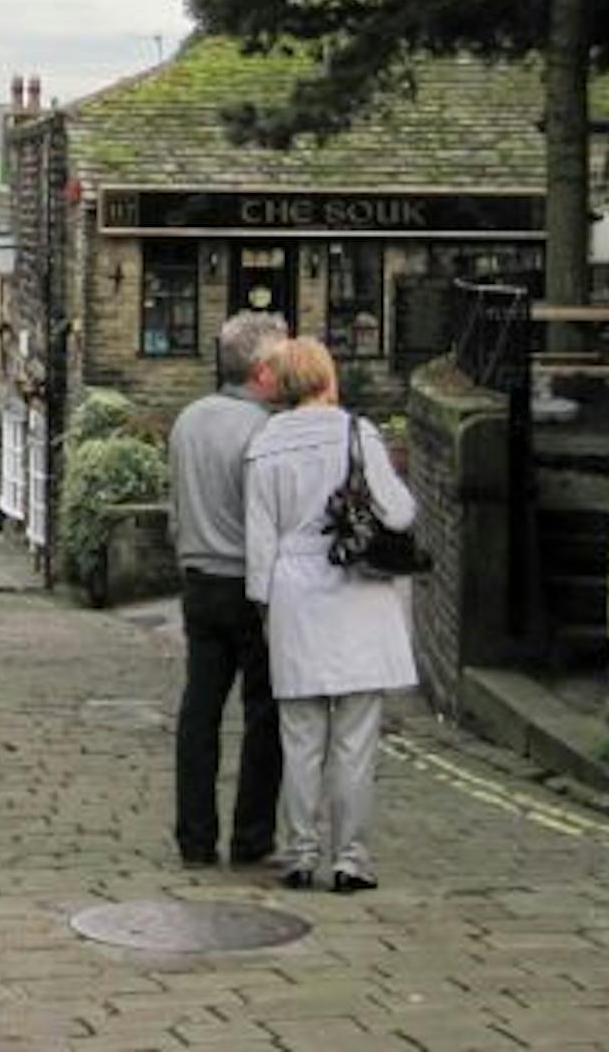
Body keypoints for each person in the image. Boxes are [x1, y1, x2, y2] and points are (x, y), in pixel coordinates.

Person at [244, 336, 417, 893]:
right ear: (325, 376)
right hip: (356, 594)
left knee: (300, 738)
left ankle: (298, 853)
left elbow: (259, 544)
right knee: (354, 740)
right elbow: (400, 509)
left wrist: (264, 608)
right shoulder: (356, 434)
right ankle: (350, 859)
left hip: (295, 595)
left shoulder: (265, 443)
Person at [168, 310, 287, 869]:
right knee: (264, 715)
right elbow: (269, 518)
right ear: (261, 368)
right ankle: (251, 838)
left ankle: (194, 838)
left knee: (200, 712)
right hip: (251, 583)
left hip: (198, 581)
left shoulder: (188, 419)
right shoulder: (266, 430)